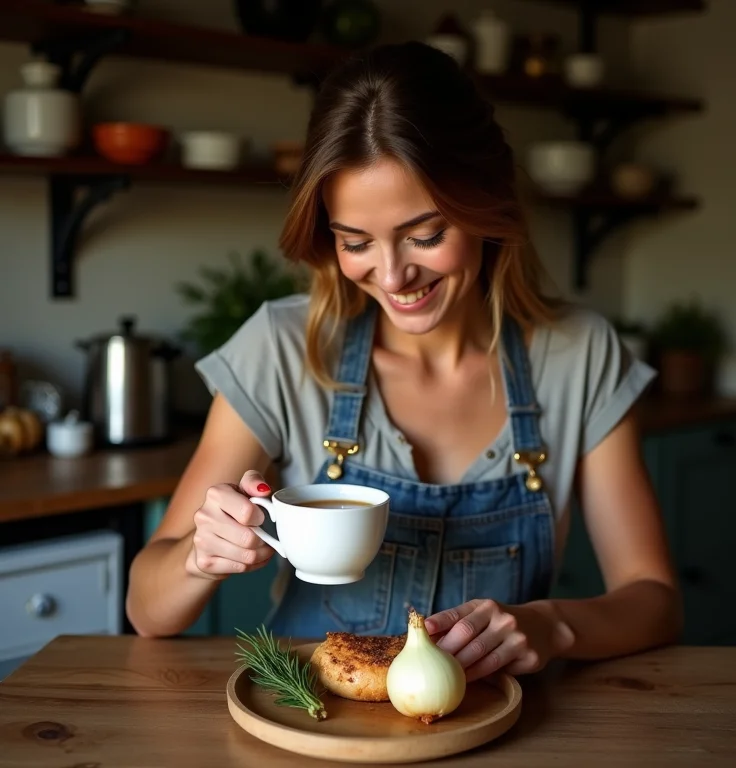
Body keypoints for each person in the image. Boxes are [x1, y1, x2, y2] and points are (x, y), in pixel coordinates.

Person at [126, 41, 682, 682]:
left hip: (499, 728)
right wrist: (200, 556)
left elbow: (655, 601)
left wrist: (551, 625)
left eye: (426, 235)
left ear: (487, 205)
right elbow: (147, 610)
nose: (392, 276)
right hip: (312, 728)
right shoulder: (279, 349)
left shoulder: (580, 354)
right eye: (355, 242)